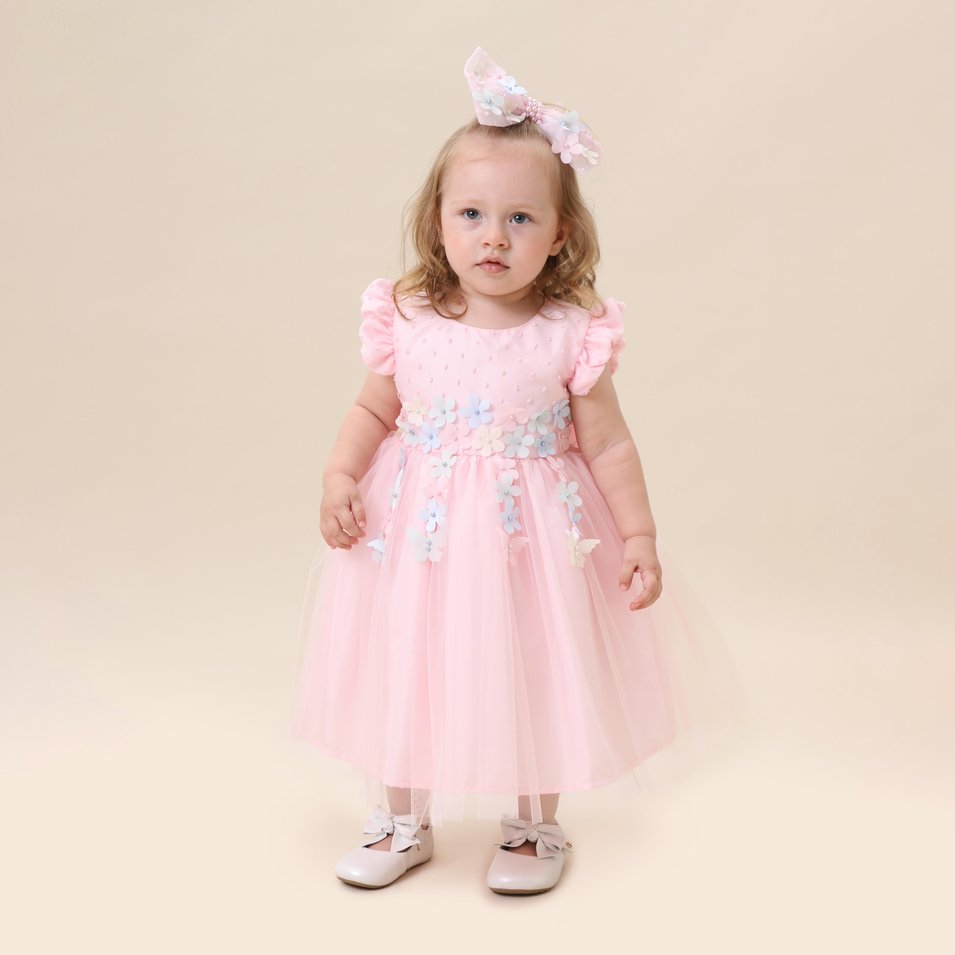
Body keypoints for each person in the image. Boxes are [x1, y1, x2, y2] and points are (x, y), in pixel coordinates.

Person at [293, 46, 751, 895]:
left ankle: (534, 824)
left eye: (520, 219)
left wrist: (638, 534)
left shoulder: (569, 332)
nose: (493, 237)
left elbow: (608, 445)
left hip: (528, 542)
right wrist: (339, 477)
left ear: (560, 233)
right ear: (437, 220)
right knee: (408, 659)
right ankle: (401, 816)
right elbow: (370, 411)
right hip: (418, 535)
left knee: (533, 664)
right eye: (470, 214)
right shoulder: (408, 317)